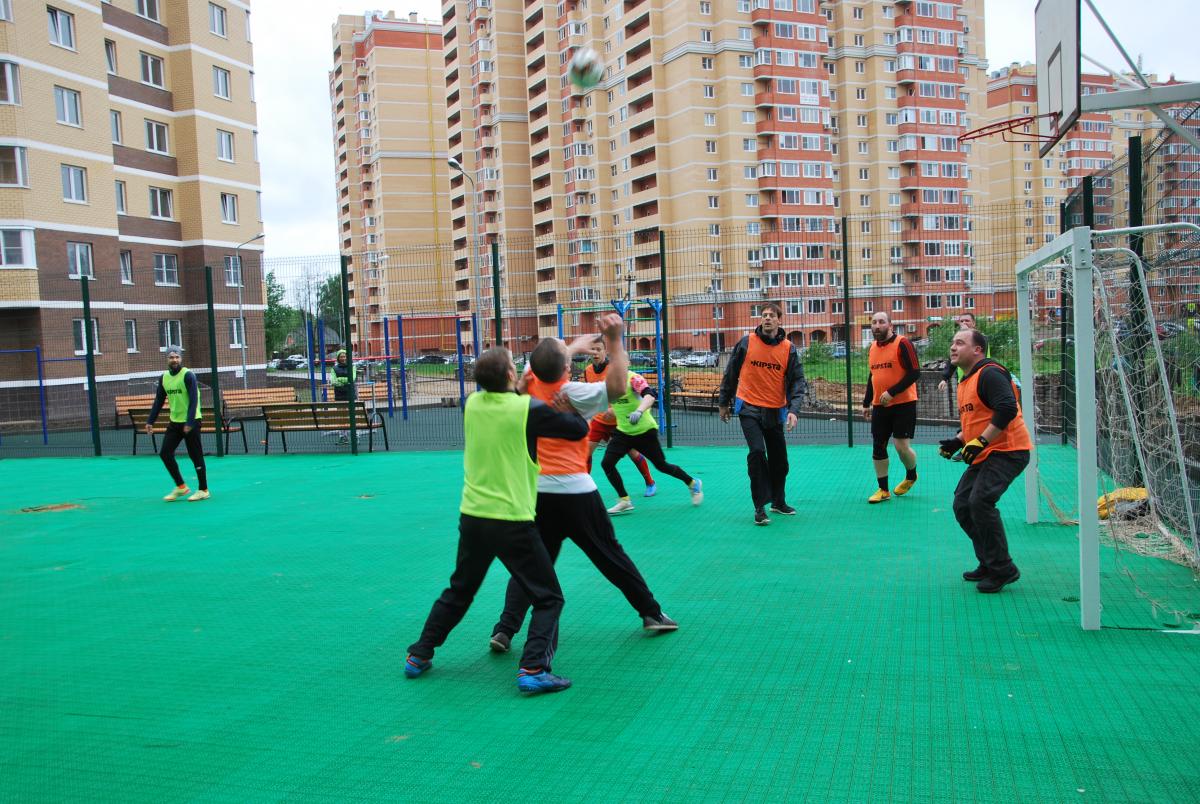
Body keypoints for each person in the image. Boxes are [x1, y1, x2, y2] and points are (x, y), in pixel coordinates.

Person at [489, 314, 677, 654]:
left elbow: (544, 362)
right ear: (566, 369)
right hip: (575, 490)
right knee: (609, 555)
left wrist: (571, 347)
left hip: (538, 492)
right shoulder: (573, 392)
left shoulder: (526, 386)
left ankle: (504, 629)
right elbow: (618, 387)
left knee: (533, 565)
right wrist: (616, 340)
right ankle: (651, 613)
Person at [404, 347, 589, 694]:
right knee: (549, 598)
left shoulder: (472, 404)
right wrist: (569, 408)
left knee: (459, 590)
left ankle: (419, 654)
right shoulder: (527, 410)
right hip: (511, 521)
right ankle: (534, 669)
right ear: (508, 376)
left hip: (473, 517)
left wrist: (519, 384)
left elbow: (507, 401)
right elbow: (577, 431)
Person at [938, 329, 1032, 593]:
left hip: (1008, 450)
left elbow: (1006, 409)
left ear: (977, 350)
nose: (953, 347)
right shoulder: (967, 380)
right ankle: (989, 562)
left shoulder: (990, 373)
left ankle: (1003, 569)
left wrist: (980, 442)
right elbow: (978, 418)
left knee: (980, 502)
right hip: (988, 451)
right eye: (952, 342)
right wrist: (959, 440)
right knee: (963, 505)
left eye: (960, 343)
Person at [718, 302, 807, 525]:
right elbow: (731, 373)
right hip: (748, 407)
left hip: (775, 410)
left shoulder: (788, 348)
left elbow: (798, 380)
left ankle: (778, 501)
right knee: (757, 453)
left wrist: (793, 410)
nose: (766, 318)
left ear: (779, 320)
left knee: (780, 461)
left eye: (771, 315)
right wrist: (723, 402)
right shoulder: (747, 342)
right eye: (763, 315)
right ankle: (759, 507)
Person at [602, 366, 703, 514]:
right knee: (607, 463)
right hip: (623, 432)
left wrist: (639, 411)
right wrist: (610, 412)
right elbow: (614, 404)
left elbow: (649, 396)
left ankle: (692, 483)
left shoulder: (634, 379)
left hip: (645, 431)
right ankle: (624, 500)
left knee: (661, 465)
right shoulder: (609, 382)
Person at [583, 339, 657, 497]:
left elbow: (625, 395)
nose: (595, 353)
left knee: (633, 453)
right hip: (598, 420)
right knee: (586, 452)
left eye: (598, 349)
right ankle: (585, 487)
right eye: (592, 350)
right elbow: (592, 394)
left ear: (605, 352)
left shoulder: (614, 369)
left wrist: (615, 411)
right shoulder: (588, 370)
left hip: (619, 421)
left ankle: (650, 482)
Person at [861, 312, 920, 504]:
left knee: (901, 447)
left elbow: (915, 373)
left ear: (890, 325)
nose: (877, 326)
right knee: (878, 445)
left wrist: (892, 392)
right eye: (874, 322)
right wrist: (866, 402)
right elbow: (872, 377)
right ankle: (883, 489)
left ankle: (911, 475)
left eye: (881, 322)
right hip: (880, 405)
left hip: (904, 404)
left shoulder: (903, 344)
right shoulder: (872, 348)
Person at [145, 347, 209, 502]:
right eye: (171, 357)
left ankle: (203, 489)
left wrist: (189, 422)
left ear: (181, 359)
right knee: (165, 453)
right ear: (166, 359)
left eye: (177, 357)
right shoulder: (164, 378)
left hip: (192, 421)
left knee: (195, 455)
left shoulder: (188, 375)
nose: (174, 360)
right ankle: (181, 487)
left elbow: (194, 399)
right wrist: (150, 421)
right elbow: (159, 400)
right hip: (175, 422)